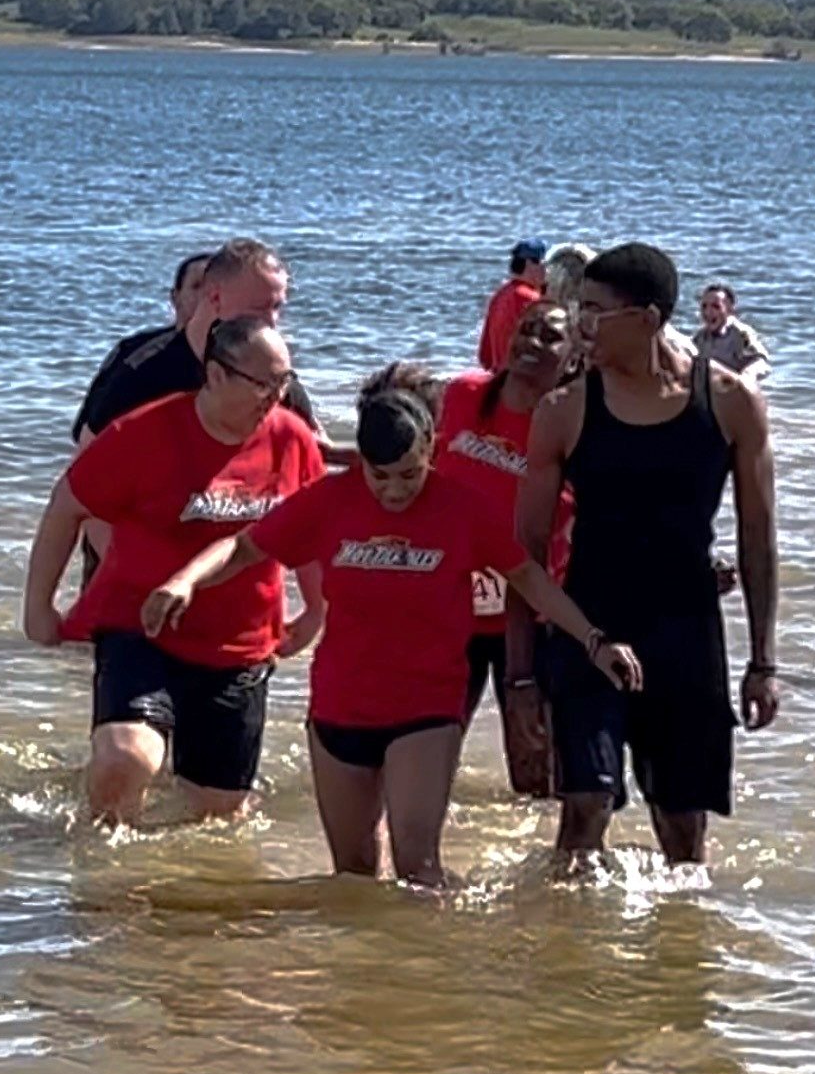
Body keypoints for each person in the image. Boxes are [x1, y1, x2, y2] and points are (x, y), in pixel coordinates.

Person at [144, 379, 641, 886]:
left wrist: (594, 641)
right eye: (380, 476)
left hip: (426, 708)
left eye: (408, 473)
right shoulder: (331, 500)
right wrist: (183, 581)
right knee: (353, 876)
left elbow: (530, 579)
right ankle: (371, 967)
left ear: (431, 447)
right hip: (340, 709)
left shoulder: (462, 508)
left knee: (417, 869)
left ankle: (447, 958)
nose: (394, 490)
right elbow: (244, 548)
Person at [518, 243, 779, 867]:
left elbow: (758, 539)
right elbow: (522, 553)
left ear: (649, 316)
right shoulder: (565, 409)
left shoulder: (730, 402)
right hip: (589, 629)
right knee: (585, 811)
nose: (581, 327)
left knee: (683, 831)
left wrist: (764, 662)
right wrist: (522, 676)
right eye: (579, 309)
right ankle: (566, 957)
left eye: (596, 313)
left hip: (686, 633)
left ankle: (676, 961)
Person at [23, 317, 327, 824]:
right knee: (127, 757)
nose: (275, 396)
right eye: (262, 383)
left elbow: (310, 528)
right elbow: (66, 505)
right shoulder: (143, 433)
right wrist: (39, 608)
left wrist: (316, 609)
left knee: (215, 816)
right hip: (141, 625)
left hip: (239, 642)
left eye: (284, 381)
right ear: (216, 374)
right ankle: (96, 873)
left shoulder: (291, 439)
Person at [434, 299, 577, 794]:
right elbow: (415, 465)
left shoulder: (573, 428)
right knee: (427, 755)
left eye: (551, 336)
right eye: (526, 330)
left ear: (575, 358)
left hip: (532, 619)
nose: (533, 342)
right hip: (450, 609)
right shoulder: (461, 395)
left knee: (537, 777)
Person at [78, 238, 322, 442]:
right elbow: (81, 471)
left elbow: (315, 450)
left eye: (277, 307)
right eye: (258, 308)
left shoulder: (276, 378)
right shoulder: (140, 376)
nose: (271, 322)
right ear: (215, 297)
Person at [69, 252, 212, 443]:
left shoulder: (232, 353)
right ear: (175, 298)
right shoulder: (136, 354)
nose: (205, 295)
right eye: (196, 286)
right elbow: (86, 429)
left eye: (212, 288)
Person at [477, 238, 548, 370]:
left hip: (499, 379)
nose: (546, 270)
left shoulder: (499, 296)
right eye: (544, 264)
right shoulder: (532, 300)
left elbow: (484, 356)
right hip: (523, 381)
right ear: (530, 265)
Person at [693, 282, 772, 382]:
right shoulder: (700, 337)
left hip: (736, 390)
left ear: (730, 310)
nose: (708, 312)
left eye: (716, 307)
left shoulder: (740, 334)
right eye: (704, 306)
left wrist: (748, 374)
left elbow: (761, 362)